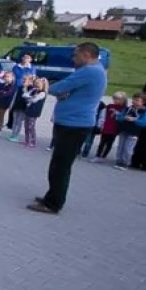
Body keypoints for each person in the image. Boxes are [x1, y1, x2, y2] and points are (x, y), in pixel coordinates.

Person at [29, 42, 107, 215]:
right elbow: (68, 90)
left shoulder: (90, 71)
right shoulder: (96, 69)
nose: (73, 59)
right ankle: (51, 196)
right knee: (59, 164)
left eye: (76, 55)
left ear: (86, 55)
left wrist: (43, 85)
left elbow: (60, 88)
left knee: (60, 166)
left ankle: (53, 203)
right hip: (72, 123)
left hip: (75, 125)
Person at [115, 92, 146, 170]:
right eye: (134, 99)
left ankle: (126, 163)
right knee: (120, 146)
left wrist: (134, 120)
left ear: (143, 102)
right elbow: (119, 117)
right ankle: (119, 161)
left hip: (134, 133)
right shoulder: (128, 109)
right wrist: (124, 117)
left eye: (137, 100)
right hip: (124, 131)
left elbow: (145, 123)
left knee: (128, 148)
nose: (134, 101)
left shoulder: (144, 112)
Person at [90, 92, 125, 163]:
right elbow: (103, 115)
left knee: (109, 144)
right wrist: (100, 125)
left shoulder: (123, 109)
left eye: (117, 99)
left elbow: (123, 117)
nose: (115, 100)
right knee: (102, 143)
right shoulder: (109, 106)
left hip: (114, 129)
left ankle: (103, 156)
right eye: (114, 99)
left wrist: (117, 113)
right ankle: (98, 155)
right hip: (106, 127)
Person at [8, 53, 35, 129]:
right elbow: (12, 76)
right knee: (12, 105)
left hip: (25, 88)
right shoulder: (16, 66)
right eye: (25, 57)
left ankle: (18, 123)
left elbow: (33, 78)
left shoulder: (32, 68)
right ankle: (10, 123)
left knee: (20, 106)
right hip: (15, 87)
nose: (26, 59)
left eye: (28, 58)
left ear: (30, 59)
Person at [22, 77, 48, 148]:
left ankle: (32, 142)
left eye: (38, 83)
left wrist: (29, 97)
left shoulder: (43, 93)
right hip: (28, 110)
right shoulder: (33, 90)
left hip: (34, 112)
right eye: (35, 83)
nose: (37, 85)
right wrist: (29, 95)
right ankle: (26, 140)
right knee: (26, 126)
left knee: (31, 127)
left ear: (43, 85)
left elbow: (35, 100)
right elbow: (24, 95)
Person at [7, 75, 34, 143]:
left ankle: (16, 136)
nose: (23, 81)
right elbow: (15, 96)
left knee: (19, 122)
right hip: (16, 106)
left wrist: (25, 88)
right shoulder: (19, 87)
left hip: (23, 107)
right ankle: (13, 134)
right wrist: (11, 105)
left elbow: (27, 96)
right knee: (15, 121)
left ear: (30, 81)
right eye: (23, 80)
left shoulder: (31, 88)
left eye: (25, 80)